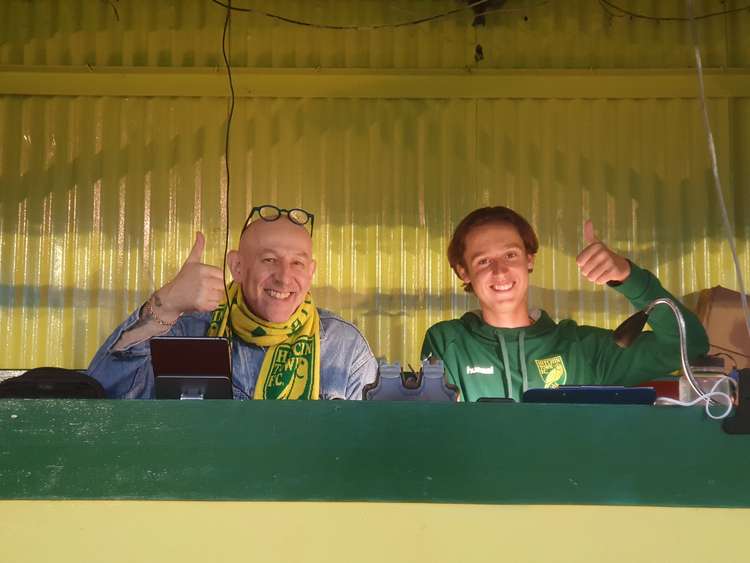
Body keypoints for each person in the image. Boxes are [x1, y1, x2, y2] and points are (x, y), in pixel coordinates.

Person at [421, 206, 709, 402]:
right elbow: (437, 432)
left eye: (510, 255)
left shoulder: (581, 349)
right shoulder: (448, 341)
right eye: (483, 261)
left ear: (529, 259)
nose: (499, 272)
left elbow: (688, 345)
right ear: (463, 271)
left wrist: (627, 276)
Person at [88, 205, 378, 399]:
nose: (284, 277)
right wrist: (167, 304)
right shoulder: (187, 329)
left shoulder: (345, 347)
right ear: (237, 266)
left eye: (298, 263)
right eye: (269, 260)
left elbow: (367, 451)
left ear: (311, 272)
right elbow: (103, 389)